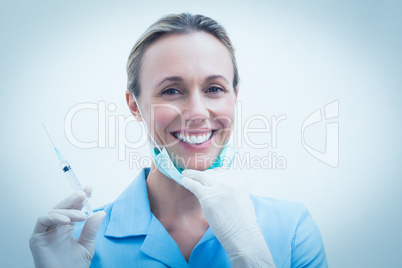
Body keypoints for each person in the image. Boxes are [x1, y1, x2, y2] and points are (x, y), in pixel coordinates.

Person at [30, 13, 328, 267]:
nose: (197, 112)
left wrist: (252, 255)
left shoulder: (291, 228)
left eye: (214, 88)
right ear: (134, 105)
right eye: (172, 91)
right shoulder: (82, 241)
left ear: (235, 96)